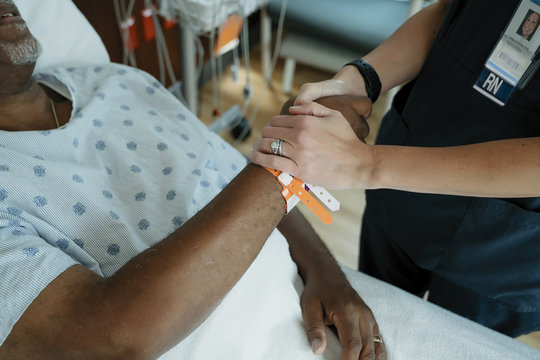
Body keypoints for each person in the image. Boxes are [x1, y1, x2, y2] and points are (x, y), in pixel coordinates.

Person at [0, 2, 386, 359]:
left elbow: (233, 174)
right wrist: (286, 158)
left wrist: (324, 272)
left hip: (299, 300)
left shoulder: (117, 81)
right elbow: (109, 341)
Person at [250, 0, 540, 338]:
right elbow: (452, 10)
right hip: (406, 178)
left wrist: (366, 166)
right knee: (370, 315)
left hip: (509, 251)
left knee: (452, 345)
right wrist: (359, 80)